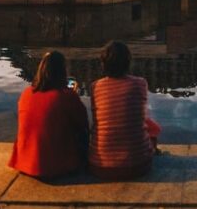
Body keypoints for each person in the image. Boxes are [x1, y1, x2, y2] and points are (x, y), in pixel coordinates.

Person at [8, 51, 89, 179]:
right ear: (62, 71)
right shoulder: (67, 96)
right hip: (58, 167)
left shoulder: (26, 94)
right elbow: (83, 122)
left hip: (24, 164)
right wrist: (73, 97)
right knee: (82, 133)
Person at [88, 41, 160, 180]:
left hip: (99, 166)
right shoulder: (140, 83)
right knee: (151, 128)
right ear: (128, 62)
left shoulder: (95, 86)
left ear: (103, 64)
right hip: (138, 166)